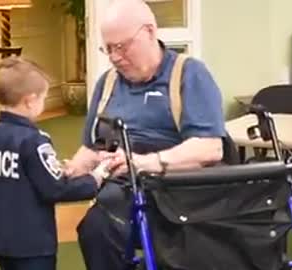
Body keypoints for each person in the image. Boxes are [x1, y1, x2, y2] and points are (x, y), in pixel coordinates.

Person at [64, 0, 226, 269]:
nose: (115, 57)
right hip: (123, 188)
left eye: (122, 47)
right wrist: (68, 171)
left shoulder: (189, 73)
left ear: (150, 32)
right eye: (109, 49)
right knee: (95, 229)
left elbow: (210, 149)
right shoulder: (107, 83)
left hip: (177, 188)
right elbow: (93, 148)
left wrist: (141, 163)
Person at [0, 56, 104, 270]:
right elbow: (54, 189)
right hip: (33, 243)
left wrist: (58, 171)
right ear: (30, 100)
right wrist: (95, 179)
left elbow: (23, 177)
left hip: (2, 239)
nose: (43, 105)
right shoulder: (34, 140)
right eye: (43, 99)